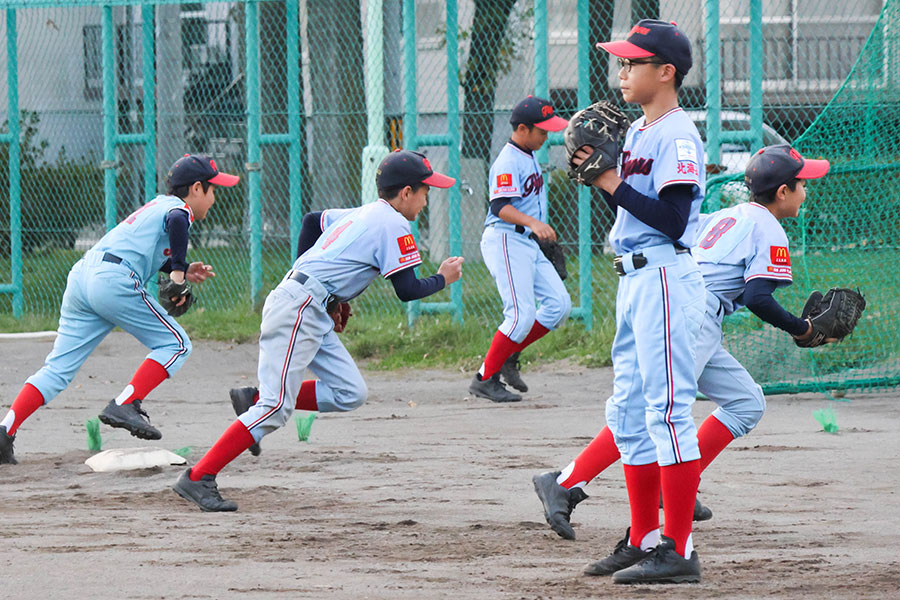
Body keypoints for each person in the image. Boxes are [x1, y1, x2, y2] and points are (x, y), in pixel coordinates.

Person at [532, 145, 830, 564]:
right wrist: (805, 330)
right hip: (690, 312)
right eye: (802, 184)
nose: (805, 191)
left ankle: (678, 488)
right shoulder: (769, 229)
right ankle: (565, 482)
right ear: (782, 192)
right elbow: (758, 297)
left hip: (686, 304)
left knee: (746, 402)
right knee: (649, 409)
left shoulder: (731, 215)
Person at [171, 149, 463, 512]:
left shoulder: (366, 212)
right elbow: (407, 290)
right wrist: (443, 278)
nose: (426, 199)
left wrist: (329, 293)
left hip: (310, 305)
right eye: (424, 191)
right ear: (405, 193)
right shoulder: (394, 224)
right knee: (275, 407)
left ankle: (255, 397)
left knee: (349, 392)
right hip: (299, 307)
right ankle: (199, 476)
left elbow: (312, 221)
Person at [539, 21, 707, 584]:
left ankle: (678, 549)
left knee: (665, 413)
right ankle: (641, 538)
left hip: (663, 276)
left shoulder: (678, 135)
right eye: (621, 62)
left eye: (633, 63)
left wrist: (610, 180)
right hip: (634, 281)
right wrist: (606, 172)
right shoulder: (637, 130)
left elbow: (675, 221)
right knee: (630, 415)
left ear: (666, 72)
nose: (622, 72)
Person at [0, 155, 239, 465]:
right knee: (176, 343)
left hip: (83, 277)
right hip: (112, 281)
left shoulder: (157, 205)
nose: (215, 197)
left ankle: (5, 431)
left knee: (57, 368)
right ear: (196, 188)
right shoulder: (178, 209)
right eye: (212, 189)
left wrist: (179, 267)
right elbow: (178, 221)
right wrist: (177, 275)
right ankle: (125, 403)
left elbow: (146, 248)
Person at [467, 95, 572, 403]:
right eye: (542, 131)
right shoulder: (508, 160)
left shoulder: (528, 155)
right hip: (505, 238)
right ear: (523, 129)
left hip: (525, 241)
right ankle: (484, 378)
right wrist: (535, 224)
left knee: (559, 305)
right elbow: (500, 206)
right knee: (520, 314)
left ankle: (509, 354)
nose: (546, 135)